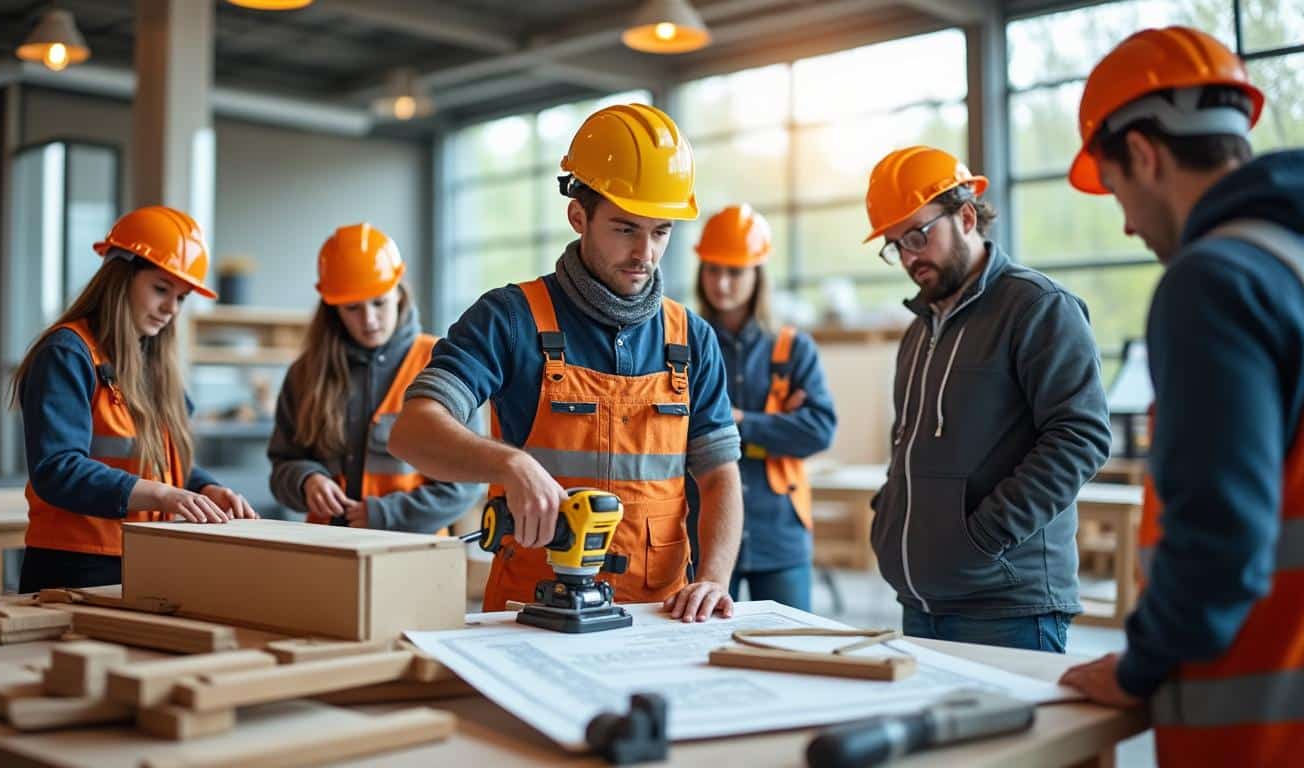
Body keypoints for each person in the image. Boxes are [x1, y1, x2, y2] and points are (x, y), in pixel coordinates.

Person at [388, 103, 744, 622]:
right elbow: (413, 431)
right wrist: (509, 464)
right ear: (579, 216)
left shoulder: (692, 339)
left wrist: (713, 579)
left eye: (660, 232)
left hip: (658, 617)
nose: (645, 253)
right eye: (625, 229)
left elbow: (719, 475)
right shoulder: (510, 319)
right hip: (530, 613)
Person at [1057, 27, 1304, 766]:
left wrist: (1138, 666)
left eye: (1118, 192)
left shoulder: (1214, 282)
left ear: (1144, 154)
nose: (1129, 224)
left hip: (1260, 728)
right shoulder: (1289, 263)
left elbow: (1218, 537)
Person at [865, 146, 1110, 651]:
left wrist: (984, 537)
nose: (909, 257)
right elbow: (906, 445)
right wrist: (887, 519)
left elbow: (1081, 437)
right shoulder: (919, 330)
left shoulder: (1039, 308)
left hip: (1006, 605)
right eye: (895, 245)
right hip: (921, 602)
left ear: (966, 217)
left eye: (917, 236)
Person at [12, 205, 256, 594]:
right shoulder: (68, 354)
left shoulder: (155, 366)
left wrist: (205, 489)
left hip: (148, 558)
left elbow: (165, 464)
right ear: (120, 276)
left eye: (181, 297)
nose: (171, 309)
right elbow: (57, 469)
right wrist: (162, 494)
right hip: (74, 566)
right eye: (161, 289)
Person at [268, 223, 484, 531]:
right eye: (352, 308)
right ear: (333, 308)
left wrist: (386, 515)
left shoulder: (442, 363)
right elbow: (282, 467)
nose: (369, 320)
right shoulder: (305, 374)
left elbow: (467, 481)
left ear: (399, 293)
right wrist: (306, 480)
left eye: (379, 303)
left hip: (413, 551)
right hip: (326, 547)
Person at [692, 203, 836, 610]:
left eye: (734, 272)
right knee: (701, 640)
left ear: (758, 275)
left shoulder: (793, 349)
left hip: (780, 535)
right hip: (704, 534)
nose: (721, 283)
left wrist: (733, 421)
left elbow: (818, 430)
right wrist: (776, 425)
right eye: (712, 269)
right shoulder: (687, 345)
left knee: (789, 641)